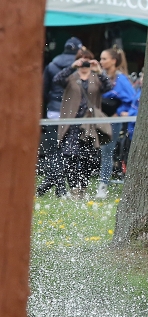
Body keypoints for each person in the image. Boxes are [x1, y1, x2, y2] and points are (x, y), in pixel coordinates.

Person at [53, 49, 112, 198]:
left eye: (87, 60)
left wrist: (100, 71)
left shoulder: (96, 78)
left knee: (87, 157)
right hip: (72, 123)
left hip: (89, 124)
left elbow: (109, 87)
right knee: (70, 157)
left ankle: (82, 188)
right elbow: (56, 80)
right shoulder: (71, 77)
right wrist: (71, 67)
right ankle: (73, 188)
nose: (84, 63)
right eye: (82, 60)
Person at [39, 36, 83, 197]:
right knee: (66, 153)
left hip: (54, 112)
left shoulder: (51, 66)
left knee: (54, 152)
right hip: (72, 114)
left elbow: (44, 90)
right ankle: (61, 189)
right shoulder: (80, 66)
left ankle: (59, 189)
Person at [97, 47, 136, 199]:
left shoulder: (121, 79)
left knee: (107, 152)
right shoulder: (100, 76)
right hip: (98, 119)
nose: (101, 62)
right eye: (101, 58)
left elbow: (131, 99)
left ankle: (103, 186)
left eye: (104, 59)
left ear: (114, 61)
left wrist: (119, 112)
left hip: (112, 121)